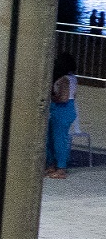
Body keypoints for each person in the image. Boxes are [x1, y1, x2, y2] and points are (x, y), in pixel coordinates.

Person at [47, 50, 80, 179]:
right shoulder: (73, 79)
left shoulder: (64, 79)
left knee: (59, 139)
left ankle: (60, 168)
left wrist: (52, 96)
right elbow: (73, 96)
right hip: (67, 109)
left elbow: (63, 98)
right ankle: (52, 165)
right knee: (52, 138)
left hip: (61, 110)